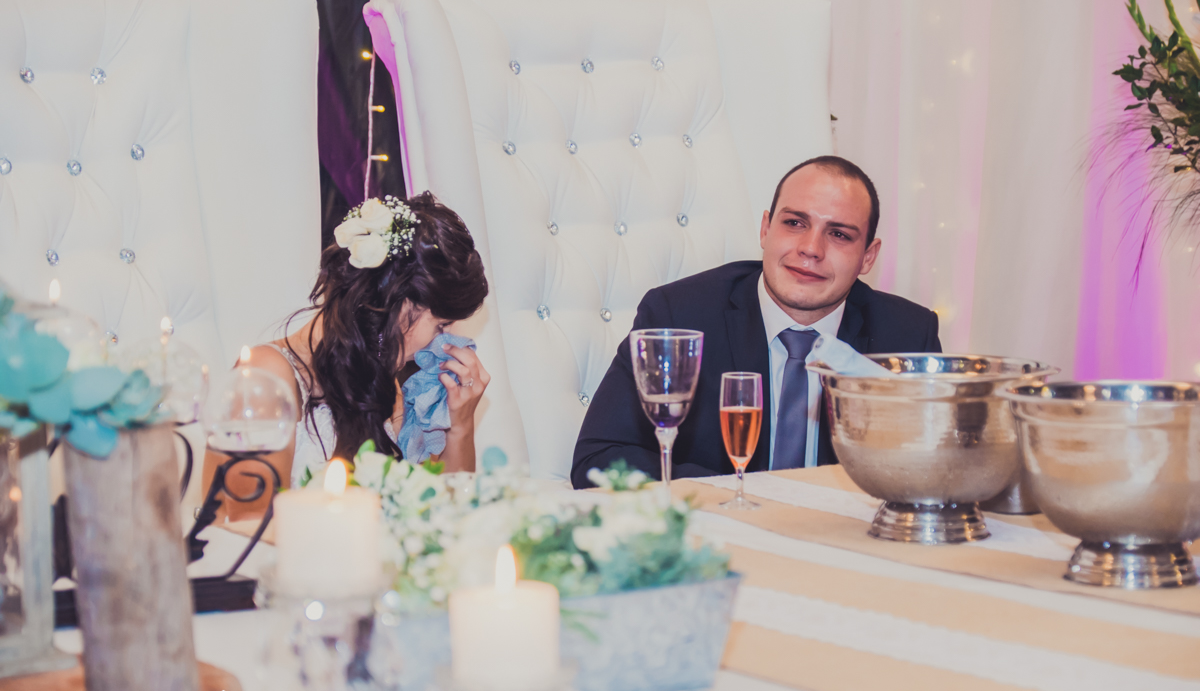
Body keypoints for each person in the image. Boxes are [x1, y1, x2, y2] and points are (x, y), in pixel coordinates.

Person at [571, 156, 940, 488]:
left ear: (868, 257)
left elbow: (934, 470)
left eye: (839, 234)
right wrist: (738, 495)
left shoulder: (908, 335)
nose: (811, 249)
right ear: (766, 229)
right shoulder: (678, 314)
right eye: (795, 223)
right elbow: (600, 457)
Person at [202, 191, 491, 516]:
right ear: (398, 301)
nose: (443, 343)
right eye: (441, 325)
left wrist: (460, 427)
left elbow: (442, 518)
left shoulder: (383, 389)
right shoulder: (265, 380)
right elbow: (242, 529)